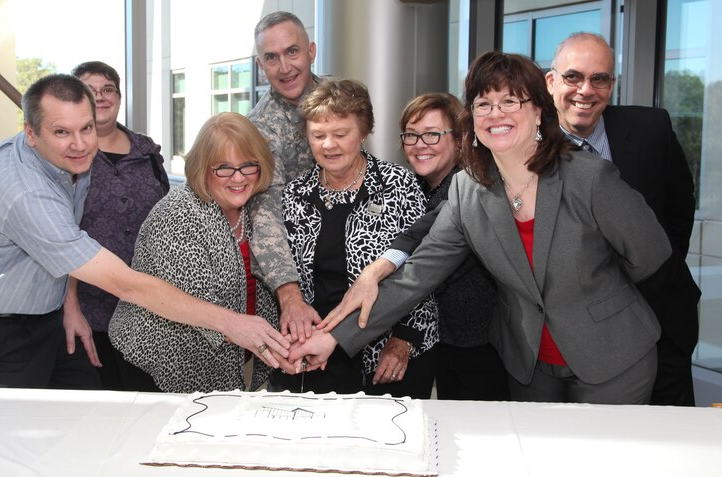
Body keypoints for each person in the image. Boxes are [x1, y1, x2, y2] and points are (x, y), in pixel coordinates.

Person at [292, 52, 673, 405]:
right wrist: (332, 340)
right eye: (483, 105)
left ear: (539, 111)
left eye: (510, 102)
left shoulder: (589, 177)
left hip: (612, 356)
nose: (495, 114)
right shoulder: (468, 190)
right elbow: (418, 276)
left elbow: (650, 255)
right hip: (529, 366)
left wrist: (596, 291)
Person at [0, 74, 289, 390]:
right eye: (61, 132)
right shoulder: (24, 192)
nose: (79, 144)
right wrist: (234, 324)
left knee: (87, 421)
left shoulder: (71, 161)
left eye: (86, 128)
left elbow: (66, 240)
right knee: (19, 443)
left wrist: (67, 304)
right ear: (31, 133)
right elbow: (124, 283)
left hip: (47, 318)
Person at [546, 32, 700, 406]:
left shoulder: (652, 130)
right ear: (550, 82)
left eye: (599, 78)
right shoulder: (527, 146)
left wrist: (658, 271)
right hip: (572, 338)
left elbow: (679, 209)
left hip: (660, 318)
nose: (586, 89)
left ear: (612, 85)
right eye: (573, 77)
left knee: (670, 445)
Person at [276, 79, 438, 398]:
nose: (329, 145)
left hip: (384, 351)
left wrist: (404, 339)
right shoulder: (294, 195)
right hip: (313, 351)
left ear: (363, 132)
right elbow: (283, 275)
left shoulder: (398, 185)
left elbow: (423, 267)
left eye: (340, 133)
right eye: (318, 135)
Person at [108, 112, 283, 393]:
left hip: (232, 361)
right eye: (223, 168)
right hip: (160, 367)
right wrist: (280, 346)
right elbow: (201, 309)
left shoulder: (256, 208)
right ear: (203, 169)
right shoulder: (178, 216)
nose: (238, 178)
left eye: (248, 166)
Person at [61, 61, 170, 390]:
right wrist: (71, 306)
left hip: (148, 311)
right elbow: (61, 239)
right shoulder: (69, 159)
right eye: (90, 91)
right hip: (91, 313)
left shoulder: (147, 153)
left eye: (108, 89)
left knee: (147, 405)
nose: (101, 97)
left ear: (119, 97)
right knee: (102, 410)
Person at [397, 93, 509, 401]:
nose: (420, 144)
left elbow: (429, 269)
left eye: (433, 134)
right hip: (439, 342)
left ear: (459, 141)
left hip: (477, 344)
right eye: (411, 134)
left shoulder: (473, 189)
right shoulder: (410, 188)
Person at [246, 11, 323, 343]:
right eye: (271, 58)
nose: (285, 67)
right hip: (295, 277)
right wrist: (290, 295)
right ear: (261, 66)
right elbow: (265, 214)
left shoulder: (343, 99)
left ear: (311, 51)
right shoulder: (256, 129)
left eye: (292, 51)